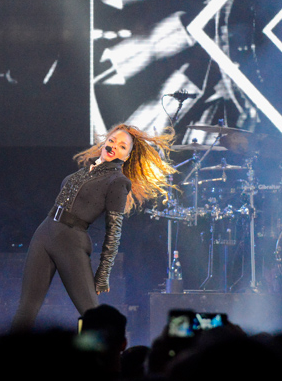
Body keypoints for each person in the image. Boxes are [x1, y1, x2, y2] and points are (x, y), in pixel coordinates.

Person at [12, 125, 175, 330]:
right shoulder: (85, 171)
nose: (114, 146)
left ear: (126, 157)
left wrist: (103, 273)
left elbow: (114, 231)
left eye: (122, 146)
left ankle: (109, 356)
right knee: (26, 308)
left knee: (91, 313)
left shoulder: (117, 181)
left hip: (70, 241)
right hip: (44, 233)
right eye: (112, 141)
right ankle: (9, 358)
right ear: (105, 142)